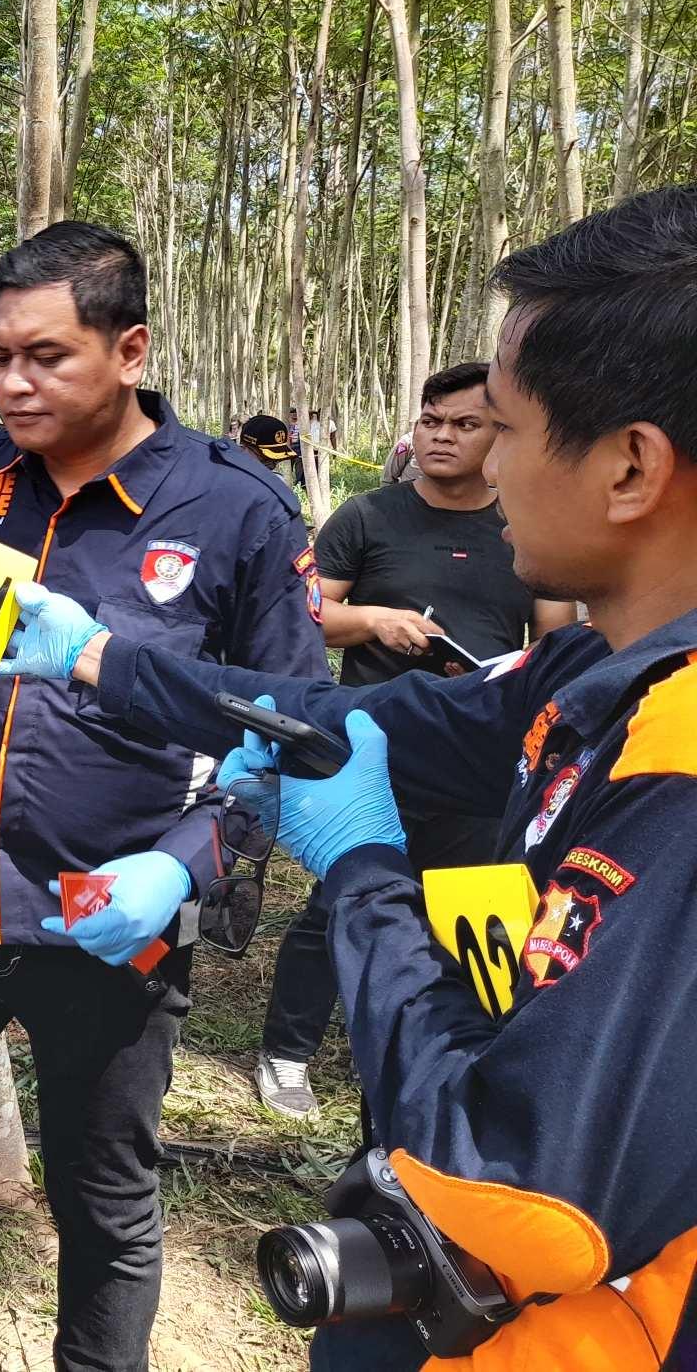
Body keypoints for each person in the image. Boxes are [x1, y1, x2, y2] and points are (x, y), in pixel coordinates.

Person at [0, 185, 697, 1368]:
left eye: (506, 431)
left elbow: (512, 1181)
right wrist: (107, 663)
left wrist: (365, 871)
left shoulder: (678, 774)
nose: (480, 461)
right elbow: (329, 714)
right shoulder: (592, 674)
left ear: (627, 468)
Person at [0, 222, 328, 1372]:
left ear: (129, 348)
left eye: (45, 356)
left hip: (109, 912)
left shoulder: (233, 511)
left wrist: (186, 866)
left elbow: (288, 734)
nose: (10, 383)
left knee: (101, 1190)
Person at [253, 363, 576, 1119]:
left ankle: (436, 1059)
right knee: (339, 895)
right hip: (372, 747)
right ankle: (287, 1052)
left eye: (464, 424)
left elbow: (557, 646)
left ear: (500, 436)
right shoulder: (370, 516)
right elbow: (304, 614)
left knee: (463, 906)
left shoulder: (526, 524)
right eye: (431, 421)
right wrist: (373, 621)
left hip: (479, 759)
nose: (440, 436)